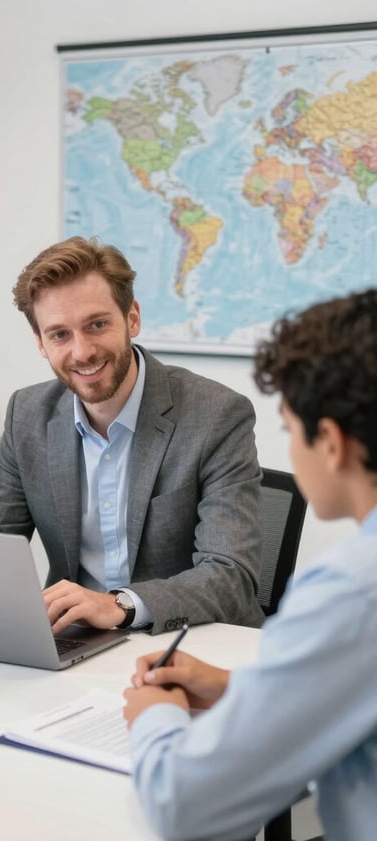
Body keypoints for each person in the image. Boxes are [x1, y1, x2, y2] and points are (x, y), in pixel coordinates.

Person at [123, 290, 377, 841]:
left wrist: (153, 713)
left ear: (330, 443)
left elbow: (184, 807)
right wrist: (240, 688)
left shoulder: (351, 589)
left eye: (288, 430)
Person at [0, 236, 264, 634]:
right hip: (75, 643)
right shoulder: (28, 416)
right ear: (40, 343)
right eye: (59, 335)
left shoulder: (216, 415)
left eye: (97, 325)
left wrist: (120, 604)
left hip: (186, 642)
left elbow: (231, 575)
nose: (82, 351)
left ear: (132, 318)